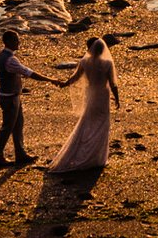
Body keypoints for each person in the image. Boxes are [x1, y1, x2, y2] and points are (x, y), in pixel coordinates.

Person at [47, 37, 120, 175]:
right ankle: (97, 158)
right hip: (102, 96)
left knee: (87, 123)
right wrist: (117, 99)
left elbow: (75, 77)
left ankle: (84, 154)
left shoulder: (84, 62)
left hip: (90, 93)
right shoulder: (107, 63)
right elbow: (112, 83)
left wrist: (64, 83)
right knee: (101, 125)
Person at [0, 30, 52, 167]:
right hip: (10, 98)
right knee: (7, 127)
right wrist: (51, 79)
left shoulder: (2, 55)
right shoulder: (10, 59)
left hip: (11, 96)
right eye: (16, 40)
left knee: (18, 125)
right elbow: (29, 73)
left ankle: (20, 154)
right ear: (8, 42)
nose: (18, 42)